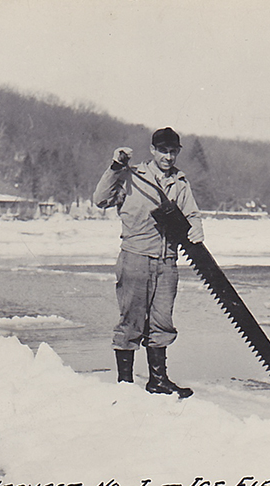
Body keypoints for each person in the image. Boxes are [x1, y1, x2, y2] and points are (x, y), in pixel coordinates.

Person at [93, 127, 205, 398]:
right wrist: (115, 167)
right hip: (136, 258)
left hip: (167, 261)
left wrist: (197, 228)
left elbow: (191, 213)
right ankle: (126, 384)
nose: (168, 156)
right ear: (152, 151)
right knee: (131, 321)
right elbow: (101, 200)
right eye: (163, 151)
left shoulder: (180, 182)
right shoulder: (132, 177)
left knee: (162, 322)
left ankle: (158, 381)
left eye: (173, 151)